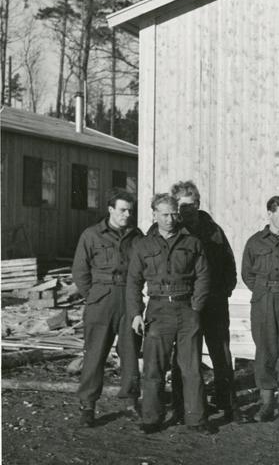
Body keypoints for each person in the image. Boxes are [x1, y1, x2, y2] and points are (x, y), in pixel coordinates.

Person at [127, 194, 210, 433]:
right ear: (154, 214)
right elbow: (133, 282)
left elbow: (203, 276)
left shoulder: (192, 242)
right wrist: (136, 313)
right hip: (158, 310)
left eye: (174, 214)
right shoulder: (143, 245)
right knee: (154, 368)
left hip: (186, 309)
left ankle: (196, 419)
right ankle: (152, 418)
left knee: (191, 369)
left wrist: (196, 307)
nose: (170, 219)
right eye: (164, 214)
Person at [72, 189, 143, 427]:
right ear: (110, 209)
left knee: (130, 352)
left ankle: (131, 403)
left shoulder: (137, 236)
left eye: (130, 211)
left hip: (129, 298)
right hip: (101, 299)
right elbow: (80, 271)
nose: (127, 215)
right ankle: (88, 406)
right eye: (122, 210)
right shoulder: (91, 235)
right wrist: (93, 296)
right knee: (95, 354)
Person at [169, 180, 238, 421]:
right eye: (182, 206)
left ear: (198, 204)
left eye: (191, 205)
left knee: (221, 353)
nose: (187, 210)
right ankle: (181, 405)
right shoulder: (174, 231)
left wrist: (225, 290)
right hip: (185, 303)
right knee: (185, 355)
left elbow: (229, 263)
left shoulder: (213, 230)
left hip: (215, 302)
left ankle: (227, 403)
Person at [241, 196, 279, 422]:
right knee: (265, 350)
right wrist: (263, 290)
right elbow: (247, 273)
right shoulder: (255, 242)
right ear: (270, 213)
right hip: (264, 301)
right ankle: (266, 403)